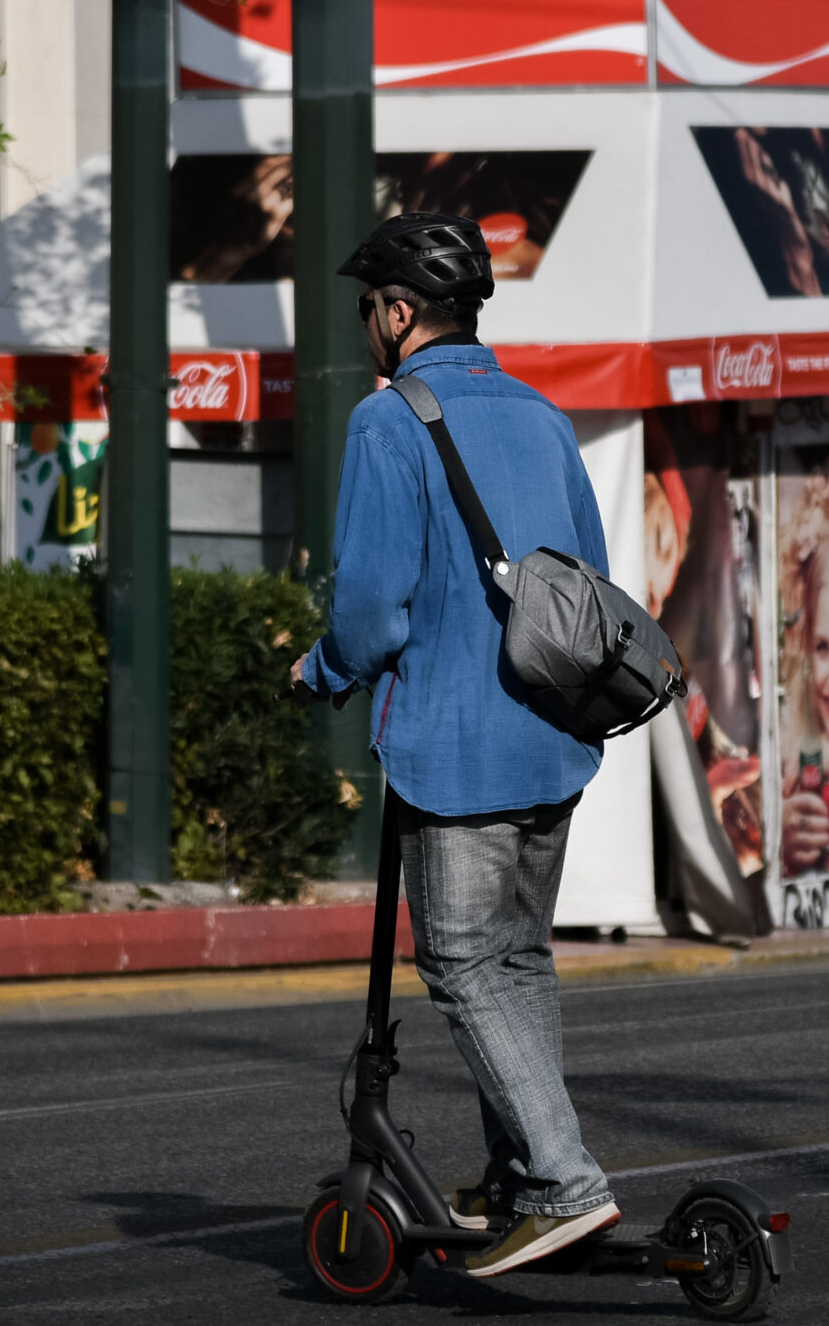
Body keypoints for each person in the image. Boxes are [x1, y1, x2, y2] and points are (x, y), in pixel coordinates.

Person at [287, 211, 622, 1277]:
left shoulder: (388, 424)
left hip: (458, 749)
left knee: (465, 967)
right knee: (517, 962)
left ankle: (565, 1182)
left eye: (367, 312)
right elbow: (587, 585)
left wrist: (322, 671)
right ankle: (525, 1180)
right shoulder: (542, 417)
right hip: (552, 743)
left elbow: (374, 612)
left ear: (395, 314)